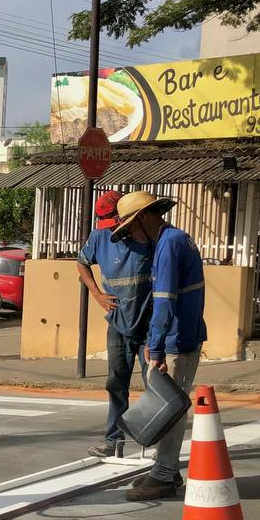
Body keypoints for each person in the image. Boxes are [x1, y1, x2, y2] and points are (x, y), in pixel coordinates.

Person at [113, 191, 207, 502]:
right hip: (180, 335)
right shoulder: (173, 239)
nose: (130, 235)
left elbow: (165, 302)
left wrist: (155, 348)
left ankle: (165, 474)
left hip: (178, 339)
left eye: (130, 228)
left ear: (142, 218)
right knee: (169, 404)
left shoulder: (169, 245)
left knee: (170, 409)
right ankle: (165, 468)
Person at [75, 190, 154, 459]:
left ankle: (155, 442)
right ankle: (113, 440)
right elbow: (82, 264)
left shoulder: (148, 236)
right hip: (118, 323)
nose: (112, 230)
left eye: (115, 223)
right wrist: (96, 294)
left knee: (154, 384)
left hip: (148, 324)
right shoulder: (99, 237)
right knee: (116, 384)